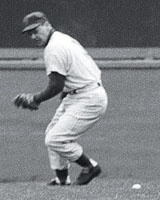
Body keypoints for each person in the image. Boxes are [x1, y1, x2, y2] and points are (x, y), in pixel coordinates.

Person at [13, 11, 108, 186]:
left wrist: (35, 98)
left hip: (89, 97)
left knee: (55, 139)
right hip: (80, 93)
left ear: (47, 25)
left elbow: (56, 84)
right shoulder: (61, 39)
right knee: (52, 134)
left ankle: (90, 167)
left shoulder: (54, 48)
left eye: (36, 30)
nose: (33, 36)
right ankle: (62, 179)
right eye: (29, 34)